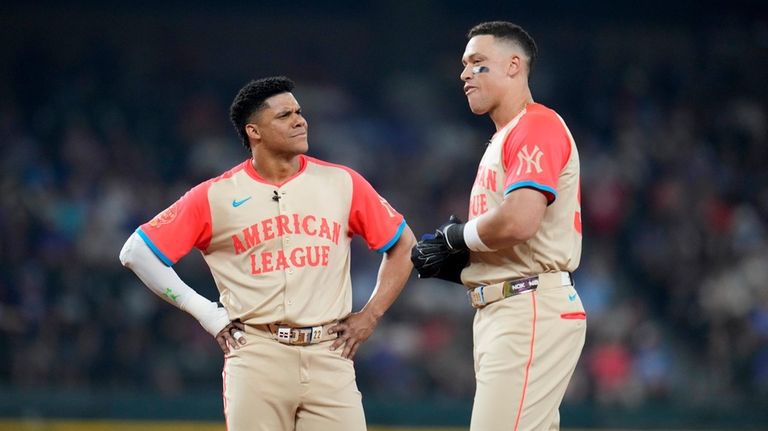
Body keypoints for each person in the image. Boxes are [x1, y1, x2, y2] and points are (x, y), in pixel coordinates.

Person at [119, 76, 415, 431]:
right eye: (284, 115)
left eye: (299, 112)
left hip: (329, 353)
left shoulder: (343, 182)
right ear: (254, 131)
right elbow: (137, 252)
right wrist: (206, 313)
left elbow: (402, 244)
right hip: (256, 351)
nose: (299, 120)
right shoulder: (216, 195)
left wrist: (371, 314)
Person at [412, 22, 586, 431]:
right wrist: (466, 264)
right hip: (511, 303)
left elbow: (521, 219)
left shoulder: (536, 125)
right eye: (464, 65)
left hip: (527, 305)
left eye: (477, 63)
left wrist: (458, 237)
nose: (464, 73)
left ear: (513, 66)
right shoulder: (504, 136)